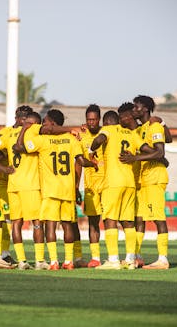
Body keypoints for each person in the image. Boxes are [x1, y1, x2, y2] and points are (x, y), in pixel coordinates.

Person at [15, 109, 98, 270]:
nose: (43, 125)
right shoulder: (72, 139)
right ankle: (68, 261)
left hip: (50, 190)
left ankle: (53, 261)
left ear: (52, 124)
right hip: (67, 188)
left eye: (45, 121)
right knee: (68, 225)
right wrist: (93, 164)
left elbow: (21, 146)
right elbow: (80, 161)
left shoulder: (42, 141)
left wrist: (25, 129)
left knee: (51, 226)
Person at [91, 104, 165, 270]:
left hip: (113, 183)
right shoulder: (132, 134)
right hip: (130, 183)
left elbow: (98, 140)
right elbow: (149, 149)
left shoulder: (109, 130)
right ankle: (130, 260)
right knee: (128, 222)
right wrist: (145, 157)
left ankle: (113, 260)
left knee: (110, 219)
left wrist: (91, 148)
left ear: (108, 122)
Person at [0, 111, 49, 270]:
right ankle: (39, 260)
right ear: (34, 122)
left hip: (13, 185)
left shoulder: (9, 135)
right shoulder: (34, 133)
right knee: (36, 223)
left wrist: (4, 169)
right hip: (30, 185)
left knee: (16, 223)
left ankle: (22, 261)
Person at [121, 95, 170, 269]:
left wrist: (135, 157)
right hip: (144, 179)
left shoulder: (154, 126)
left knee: (158, 218)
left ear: (145, 109)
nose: (134, 110)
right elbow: (169, 139)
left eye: (136, 107)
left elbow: (160, 152)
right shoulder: (142, 129)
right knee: (140, 218)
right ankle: (136, 256)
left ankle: (163, 259)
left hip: (155, 177)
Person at [74, 104, 104, 268]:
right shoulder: (82, 137)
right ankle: (96, 258)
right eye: (88, 119)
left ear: (99, 119)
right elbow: (78, 163)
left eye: (94, 119)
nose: (91, 122)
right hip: (91, 186)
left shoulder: (107, 133)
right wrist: (76, 186)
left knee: (112, 221)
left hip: (108, 185)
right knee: (93, 222)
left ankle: (118, 257)